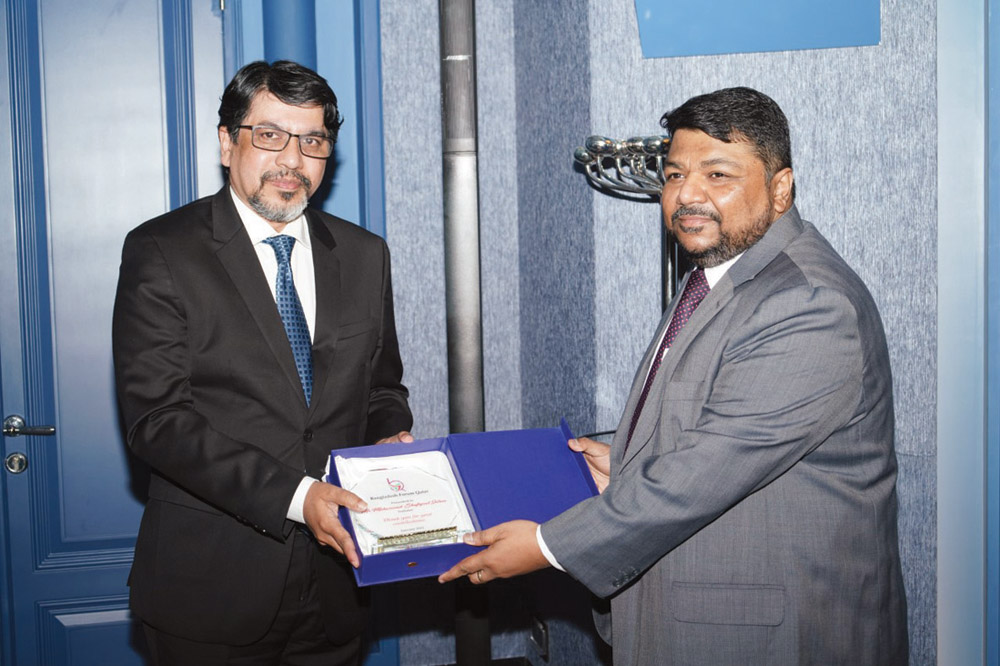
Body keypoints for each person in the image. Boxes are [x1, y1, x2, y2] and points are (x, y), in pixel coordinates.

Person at [440, 87, 909, 664]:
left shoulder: (808, 303)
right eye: (675, 174)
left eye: (718, 174)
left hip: (775, 636)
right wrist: (627, 463)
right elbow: (710, 429)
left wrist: (545, 545)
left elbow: (704, 473)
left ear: (781, 188)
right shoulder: (717, 275)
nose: (686, 194)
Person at [113, 60, 413, 665]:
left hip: (336, 588)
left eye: (313, 141)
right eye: (270, 135)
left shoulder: (364, 254)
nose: (292, 160)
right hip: (210, 589)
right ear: (228, 143)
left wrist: (388, 437)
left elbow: (382, 388)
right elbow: (158, 422)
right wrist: (299, 497)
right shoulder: (162, 250)